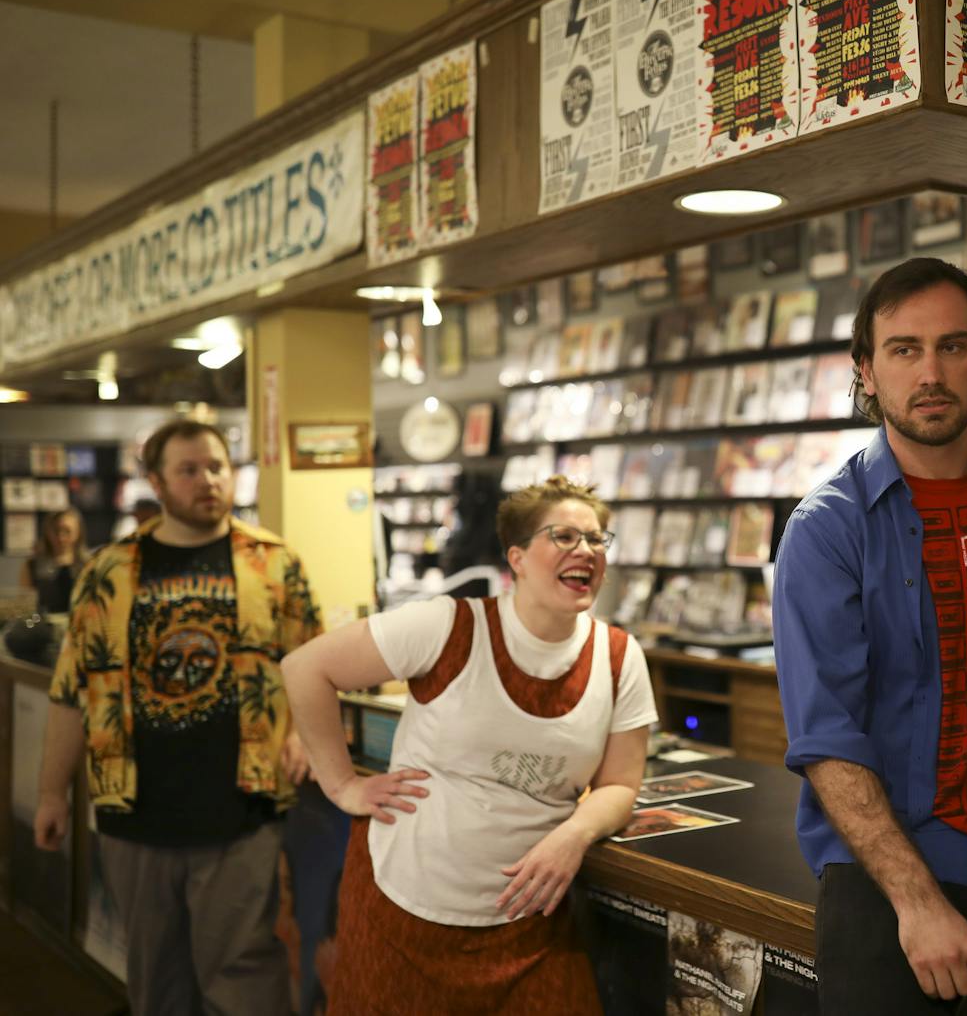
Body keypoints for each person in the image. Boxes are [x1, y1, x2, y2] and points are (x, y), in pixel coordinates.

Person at [773, 257, 967, 1016]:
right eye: (904, 349)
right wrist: (916, 901)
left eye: (953, 346)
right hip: (890, 882)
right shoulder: (826, 529)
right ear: (867, 371)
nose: (932, 371)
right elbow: (827, 739)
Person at [282, 475, 659, 1014]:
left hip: (531, 925)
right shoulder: (448, 626)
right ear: (518, 558)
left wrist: (575, 834)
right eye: (565, 537)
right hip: (402, 912)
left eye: (598, 539)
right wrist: (342, 785)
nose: (587, 551)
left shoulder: (619, 656)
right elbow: (306, 668)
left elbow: (621, 783)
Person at [34, 418, 323, 1016]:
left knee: (245, 978)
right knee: (157, 983)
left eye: (217, 466)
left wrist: (304, 735)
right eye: (189, 470)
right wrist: (51, 794)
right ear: (157, 483)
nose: (208, 481)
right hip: (136, 813)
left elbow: (314, 664)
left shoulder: (275, 563)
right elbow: (71, 691)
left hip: (243, 810)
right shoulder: (107, 573)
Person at [21, 507, 90, 613]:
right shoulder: (32, 565)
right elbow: (25, 604)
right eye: (56, 530)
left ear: (78, 532)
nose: (61, 537)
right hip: (43, 625)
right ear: (47, 532)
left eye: (67, 531)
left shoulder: (89, 564)